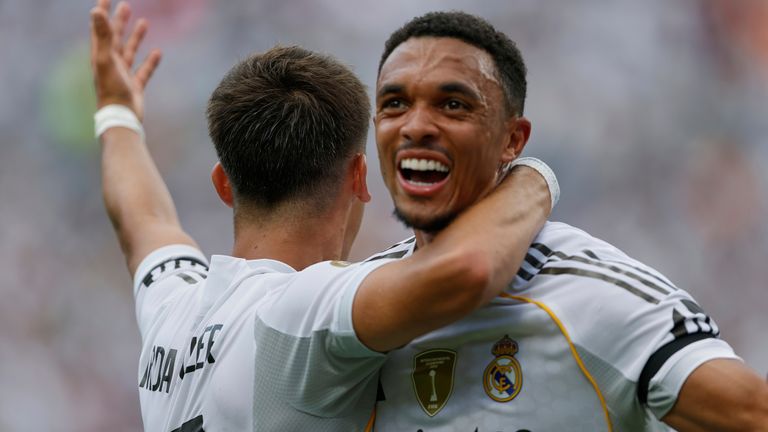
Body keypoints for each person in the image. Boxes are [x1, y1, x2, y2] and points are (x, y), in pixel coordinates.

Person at [89, 1, 558, 431]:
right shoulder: (304, 311)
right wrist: (534, 176)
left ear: (223, 184)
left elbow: (143, 221)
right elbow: (468, 270)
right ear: (360, 176)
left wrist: (116, 114)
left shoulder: (173, 307)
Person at [368, 11, 768, 431]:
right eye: (395, 104)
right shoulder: (346, 304)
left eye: (453, 105)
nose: (416, 126)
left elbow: (754, 416)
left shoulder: (598, 298)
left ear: (512, 140)